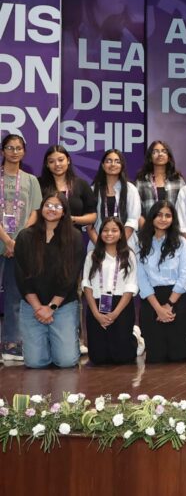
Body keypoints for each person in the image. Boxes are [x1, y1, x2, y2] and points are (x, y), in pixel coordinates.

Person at [13, 193, 84, 368]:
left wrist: (51, 308)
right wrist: (38, 308)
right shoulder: (25, 236)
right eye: (48, 205)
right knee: (35, 363)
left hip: (63, 304)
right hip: (32, 305)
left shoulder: (74, 237)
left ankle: (65, 342)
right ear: (41, 208)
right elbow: (21, 276)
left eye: (57, 206)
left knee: (66, 361)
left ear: (64, 211)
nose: (52, 209)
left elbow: (70, 277)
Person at [135, 201, 186, 364]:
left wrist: (168, 305)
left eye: (168, 215)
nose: (163, 219)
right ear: (152, 217)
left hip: (176, 297)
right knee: (156, 358)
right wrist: (158, 309)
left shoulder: (180, 242)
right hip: (152, 300)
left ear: (173, 219)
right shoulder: (141, 242)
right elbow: (141, 278)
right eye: (159, 215)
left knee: (178, 356)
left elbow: (185, 275)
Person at [2, 134, 42, 361]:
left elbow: (35, 212)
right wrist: (7, 240)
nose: (14, 152)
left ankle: (11, 344)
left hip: (21, 246)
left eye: (18, 148)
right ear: (2, 151)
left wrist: (17, 240)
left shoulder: (31, 180)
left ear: (24, 151)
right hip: (5, 242)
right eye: (10, 147)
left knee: (15, 296)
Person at [81, 217, 138, 365]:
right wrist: (96, 314)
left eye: (114, 230)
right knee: (98, 358)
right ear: (100, 233)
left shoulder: (129, 255)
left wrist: (115, 314)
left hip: (121, 305)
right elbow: (87, 285)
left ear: (121, 234)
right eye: (105, 230)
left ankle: (136, 337)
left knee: (123, 358)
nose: (109, 234)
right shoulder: (92, 256)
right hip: (97, 304)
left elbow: (130, 287)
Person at [37, 144, 96, 234]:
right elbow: (33, 212)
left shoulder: (81, 184)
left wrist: (72, 219)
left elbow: (92, 216)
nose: (57, 164)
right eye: (51, 161)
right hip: (43, 236)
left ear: (68, 160)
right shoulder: (38, 183)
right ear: (47, 164)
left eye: (61, 160)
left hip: (73, 237)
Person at [88, 149, 142, 246]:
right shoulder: (93, 190)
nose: (113, 164)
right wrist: (100, 246)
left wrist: (118, 245)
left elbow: (133, 220)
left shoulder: (131, 189)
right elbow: (89, 224)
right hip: (97, 246)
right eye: (109, 161)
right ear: (103, 165)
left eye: (117, 161)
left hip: (126, 245)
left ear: (122, 166)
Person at [135, 140, 185, 222]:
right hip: (148, 227)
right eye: (155, 151)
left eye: (164, 151)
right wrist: (146, 228)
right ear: (150, 157)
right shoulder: (141, 181)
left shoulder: (178, 180)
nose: (160, 154)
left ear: (169, 157)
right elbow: (136, 210)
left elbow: (183, 210)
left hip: (173, 227)